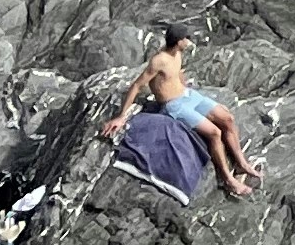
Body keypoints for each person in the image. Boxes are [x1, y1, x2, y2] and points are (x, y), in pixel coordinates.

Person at [106, 32, 258, 197]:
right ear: (178, 41)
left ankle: (242, 163)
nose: (188, 41)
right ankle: (228, 179)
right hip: (174, 105)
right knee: (215, 133)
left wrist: (187, 89)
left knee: (228, 119)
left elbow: (178, 73)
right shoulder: (159, 61)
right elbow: (137, 85)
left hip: (188, 96)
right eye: (185, 38)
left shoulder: (177, 53)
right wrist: (121, 116)